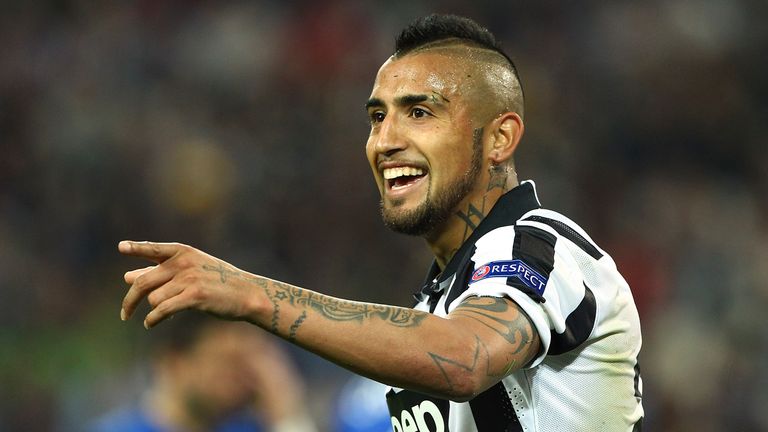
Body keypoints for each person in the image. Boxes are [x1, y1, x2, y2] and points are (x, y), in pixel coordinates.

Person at [118, 14, 643, 431]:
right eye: (377, 116)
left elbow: (465, 359)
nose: (384, 140)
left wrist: (254, 296)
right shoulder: (438, 302)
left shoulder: (540, 246)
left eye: (419, 112)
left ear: (500, 139)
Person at [89, 315, 317, 432]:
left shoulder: (249, 428)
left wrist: (287, 414)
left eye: (246, 362)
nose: (240, 378)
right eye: (226, 362)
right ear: (174, 361)